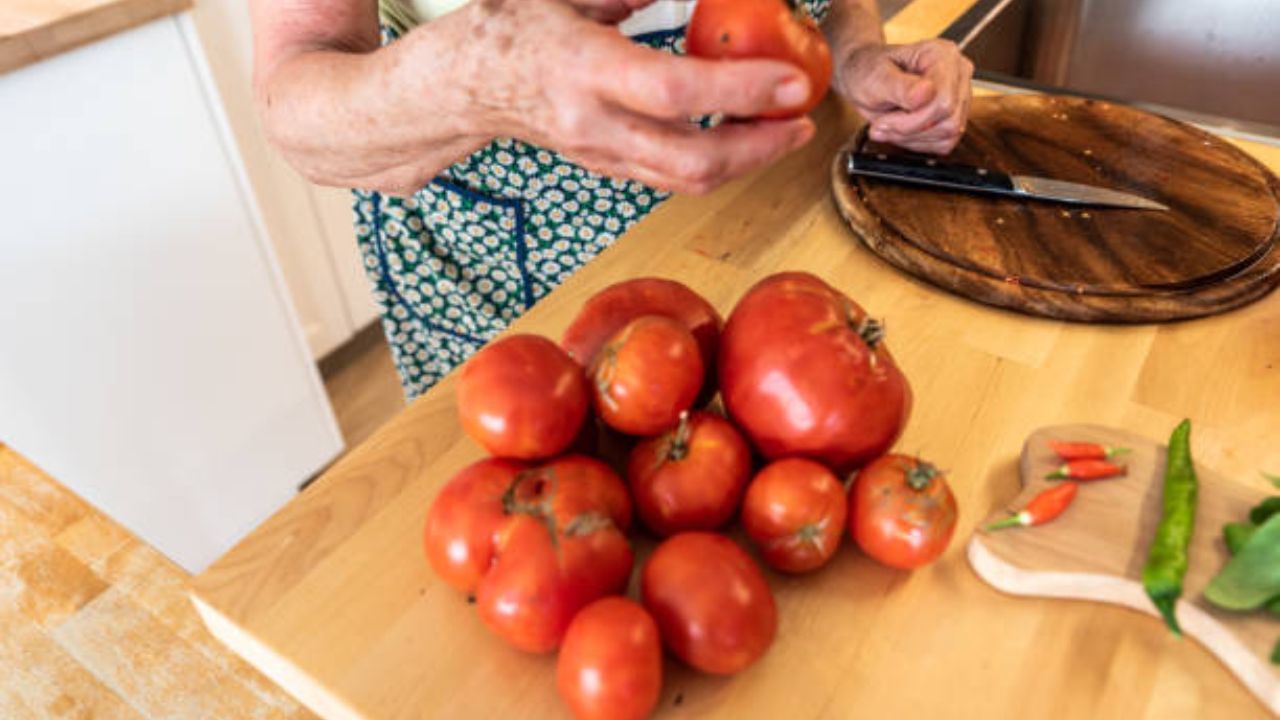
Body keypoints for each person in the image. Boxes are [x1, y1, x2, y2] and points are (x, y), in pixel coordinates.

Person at [251, 0, 973, 398]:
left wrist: (854, 56)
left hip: (774, 244)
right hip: (505, 291)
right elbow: (296, 108)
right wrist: (476, 78)